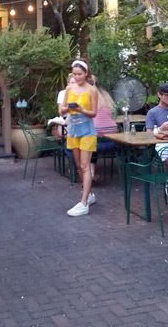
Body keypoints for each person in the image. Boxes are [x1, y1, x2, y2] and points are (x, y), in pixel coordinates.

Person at [61, 59, 99, 217]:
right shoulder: (69, 89)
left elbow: (94, 113)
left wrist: (81, 109)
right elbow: (61, 110)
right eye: (74, 74)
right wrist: (66, 109)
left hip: (87, 131)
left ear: (86, 74)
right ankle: (89, 195)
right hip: (73, 130)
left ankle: (83, 203)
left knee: (85, 165)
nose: (76, 77)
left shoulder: (92, 90)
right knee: (78, 166)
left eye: (79, 74)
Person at [91, 81, 118, 182]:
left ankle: (89, 173)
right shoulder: (106, 95)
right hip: (113, 138)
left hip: (97, 138)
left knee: (85, 144)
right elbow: (114, 115)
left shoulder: (88, 95)